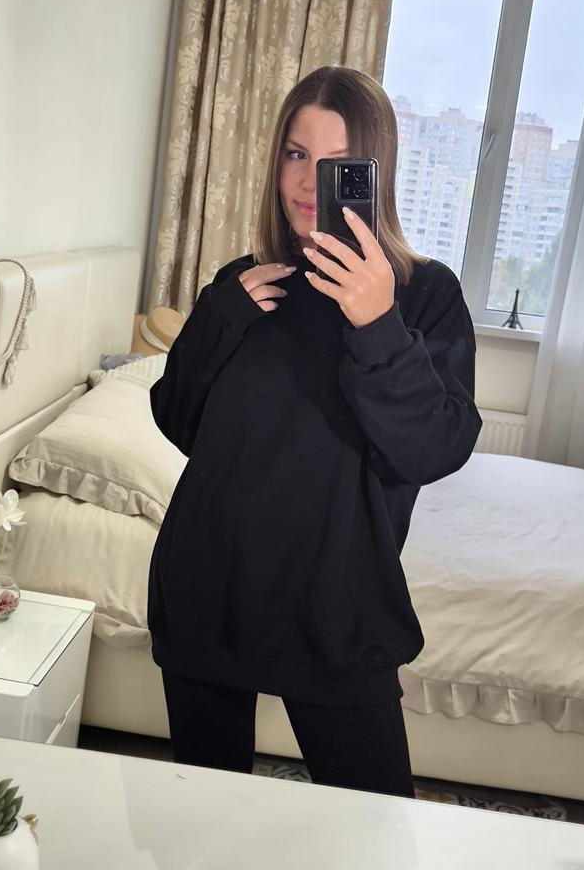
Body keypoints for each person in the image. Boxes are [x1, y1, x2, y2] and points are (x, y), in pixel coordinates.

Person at [147, 65, 482, 799]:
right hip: (208, 590)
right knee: (199, 828)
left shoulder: (422, 294)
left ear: (374, 174)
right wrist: (218, 320)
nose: (308, 182)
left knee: (375, 830)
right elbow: (180, 420)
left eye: (338, 164)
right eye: (296, 154)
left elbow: (434, 449)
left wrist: (377, 322)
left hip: (338, 608)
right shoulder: (244, 283)